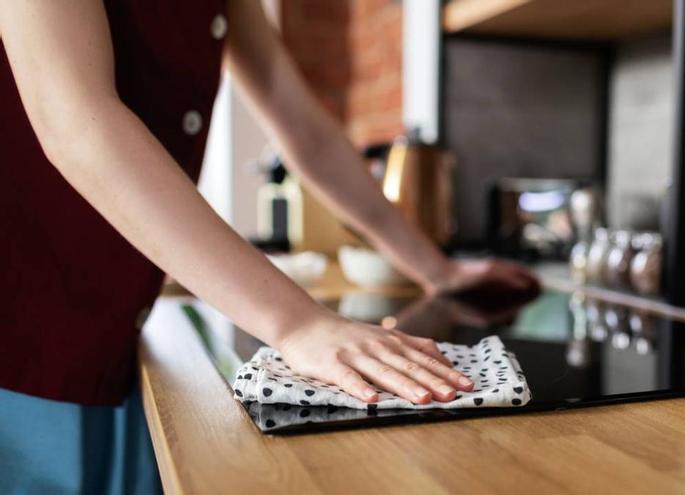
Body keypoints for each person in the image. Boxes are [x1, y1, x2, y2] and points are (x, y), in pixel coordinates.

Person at [0, 1, 537, 492]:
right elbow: (76, 125)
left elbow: (309, 135)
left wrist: (435, 270)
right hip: (21, 339)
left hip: (108, 328)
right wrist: (299, 324)